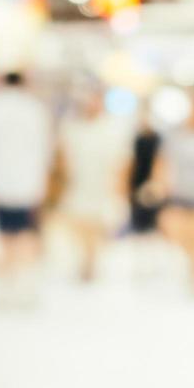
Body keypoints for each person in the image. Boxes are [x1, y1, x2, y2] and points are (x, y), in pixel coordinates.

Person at [0, 72, 53, 302]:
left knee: (4, 238)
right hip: (28, 184)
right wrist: (42, 184)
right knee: (25, 236)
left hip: (1, 184)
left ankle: (4, 290)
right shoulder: (35, 110)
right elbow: (45, 150)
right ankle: (24, 288)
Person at [57, 88, 128, 282]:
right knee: (79, 227)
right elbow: (64, 161)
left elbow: (120, 164)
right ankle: (84, 262)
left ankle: (91, 264)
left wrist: (119, 192)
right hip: (78, 186)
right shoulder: (72, 129)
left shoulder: (111, 129)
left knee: (96, 228)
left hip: (102, 188)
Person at [158, 98, 194, 295]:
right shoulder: (177, 139)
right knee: (177, 233)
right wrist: (163, 185)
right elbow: (165, 163)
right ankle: (185, 268)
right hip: (179, 193)